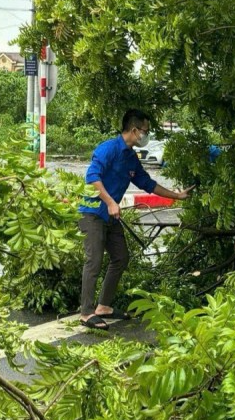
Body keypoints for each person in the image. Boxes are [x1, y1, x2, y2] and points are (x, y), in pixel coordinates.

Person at [78, 109, 190, 329]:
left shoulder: (131, 157)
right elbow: (92, 178)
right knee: (94, 261)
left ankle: (104, 306)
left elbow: (147, 183)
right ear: (134, 130)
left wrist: (177, 195)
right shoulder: (108, 149)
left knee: (120, 257)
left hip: (111, 215)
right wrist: (110, 202)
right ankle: (86, 312)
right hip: (92, 213)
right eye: (145, 131)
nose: (146, 136)